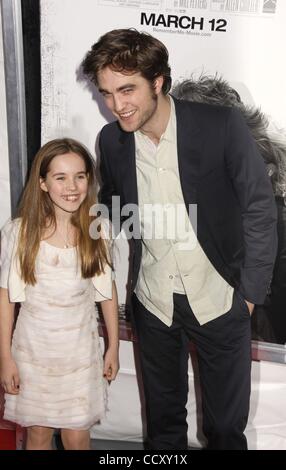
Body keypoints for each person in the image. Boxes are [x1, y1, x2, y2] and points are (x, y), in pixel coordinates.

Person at [81, 29, 277, 450]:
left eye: (128, 89)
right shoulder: (112, 141)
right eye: (107, 93)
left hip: (220, 300)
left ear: (158, 81)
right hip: (154, 305)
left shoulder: (221, 126)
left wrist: (247, 296)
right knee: (164, 430)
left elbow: (259, 208)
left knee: (225, 431)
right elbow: (115, 208)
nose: (117, 105)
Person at [0, 138, 119, 450]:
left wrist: (114, 347)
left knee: (77, 435)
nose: (72, 187)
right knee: (38, 433)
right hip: (33, 350)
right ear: (42, 183)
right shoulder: (19, 233)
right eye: (60, 177)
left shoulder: (99, 231)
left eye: (80, 176)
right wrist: (5, 358)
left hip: (80, 351)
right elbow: (6, 299)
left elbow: (107, 293)